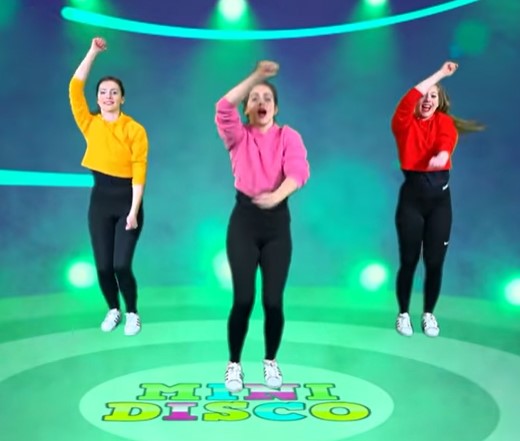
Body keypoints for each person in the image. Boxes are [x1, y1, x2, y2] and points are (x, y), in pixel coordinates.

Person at [215, 61, 310, 391]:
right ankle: (234, 364)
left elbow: (298, 171)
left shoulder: (289, 136)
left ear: (276, 108)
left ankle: (270, 361)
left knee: (272, 301)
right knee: (243, 300)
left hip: (277, 225)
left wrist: (276, 196)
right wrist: (257, 76)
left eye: (267, 98)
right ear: (246, 109)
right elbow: (223, 106)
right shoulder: (237, 136)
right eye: (254, 98)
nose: (261, 102)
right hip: (244, 222)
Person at [391, 61, 484, 338]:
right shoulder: (403, 124)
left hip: (439, 203)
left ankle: (428, 314)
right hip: (411, 201)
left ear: (440, 102)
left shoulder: (444, 122)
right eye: (424, 95)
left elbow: (446, 141)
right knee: (409, 260)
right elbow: (411, 96)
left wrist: (442, 155)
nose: (427, 100)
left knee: (434, 262)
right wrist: (441, 74)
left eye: (433, 96)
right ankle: (403, 314)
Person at [69, 37, 148, 336]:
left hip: (128, 201)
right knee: (103, 267)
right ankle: (113, 309)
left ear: (122, 98)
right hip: (100, 202)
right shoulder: (90, 124)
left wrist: (134, 211)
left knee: (121, 266)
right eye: (103, 92)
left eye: (114, 92)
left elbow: (139, 171)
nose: (108, 96)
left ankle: (132, 313)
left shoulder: (135, 130)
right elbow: (75, 87)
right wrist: (92, 52)